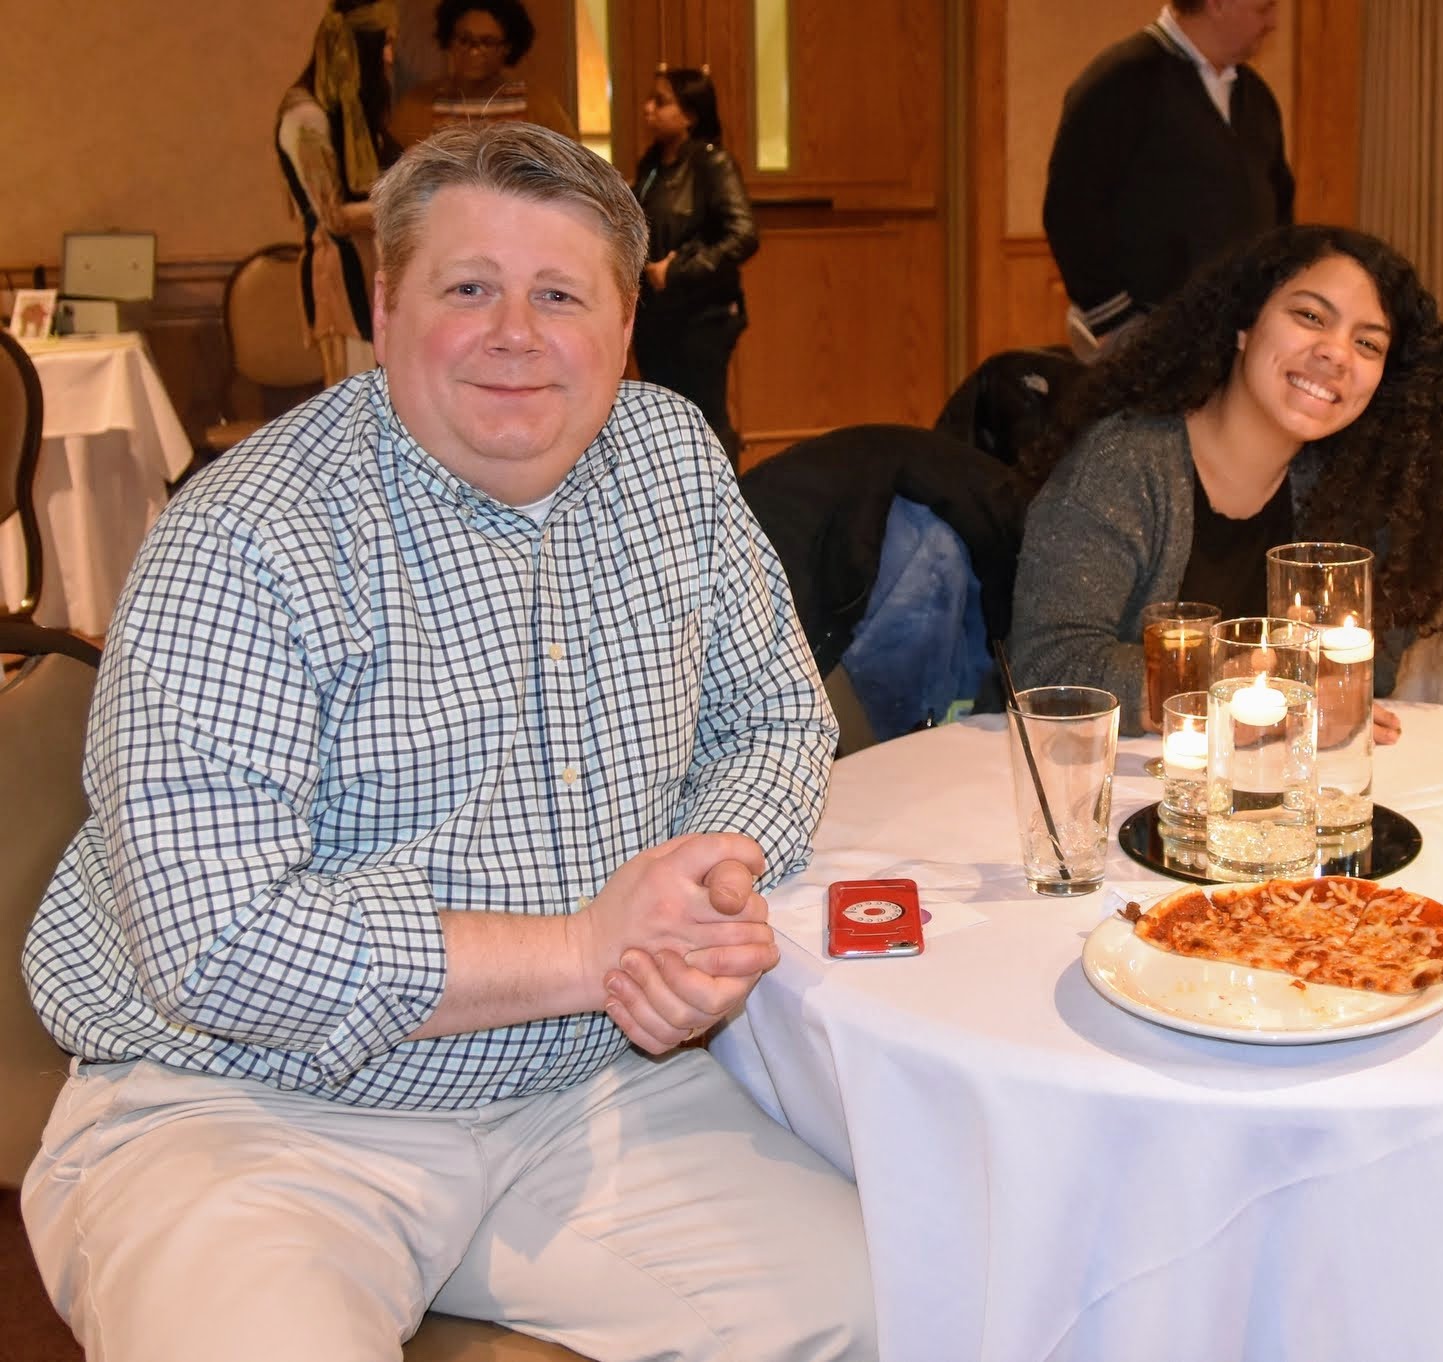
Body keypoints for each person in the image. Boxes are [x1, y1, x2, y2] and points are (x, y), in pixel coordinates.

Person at [19, 122, 875, 1360]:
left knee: (890, 1314)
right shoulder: (248, 536)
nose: (514, 333)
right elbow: (214, 946)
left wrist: (699, 888)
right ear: (384, 311)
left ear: (624, 324)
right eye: (468, 288)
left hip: (587, 1089)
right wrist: (585, 949)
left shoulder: (673, 464)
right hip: (248, 1111)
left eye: (560, 295)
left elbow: (773, 722)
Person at [1010, 224, 1443, 738]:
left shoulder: (1363, 487)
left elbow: (1367, 673)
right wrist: (1227, 686)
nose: (1336, 352)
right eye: (1310, 316)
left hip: (1275, 780)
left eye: (1368, 343)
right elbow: (1048, 668)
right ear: (1245, 322)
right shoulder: (1124, 463)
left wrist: (1307, 699)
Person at [1042, 0, 1292, 360]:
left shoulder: (1256, 96)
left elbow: (1280, 205)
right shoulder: (1120, 81)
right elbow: (1071, 209)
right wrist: (1115, 322)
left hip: (1233, 333)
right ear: (1217, 5)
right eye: (1263, 8)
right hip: (1145, 334)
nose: (1273, 23)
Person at [632, 65, 758, 465]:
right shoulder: (651, 166)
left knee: (705, 417)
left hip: (703, 315)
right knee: (662, 417)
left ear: (689, 114)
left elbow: (743, 234)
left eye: (661, 102)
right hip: (655, 314)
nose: (648, 109)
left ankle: (724, 494)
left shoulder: (712, 163)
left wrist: (679, 270)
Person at [277, 0, 402, 385]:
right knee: (357, 392)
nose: (389, 57)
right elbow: (334, 216)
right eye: (383, 43)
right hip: (343, 274)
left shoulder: (355, 116)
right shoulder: (306, 116)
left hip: (372, 264)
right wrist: (413, 199)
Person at [389, 0, 578, 148]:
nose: (474, 51)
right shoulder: (417, 106)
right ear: (449, 41)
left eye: (487, 42)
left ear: (507, 47)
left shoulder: (538, 105)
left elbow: (568, 168)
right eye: (465, 40)